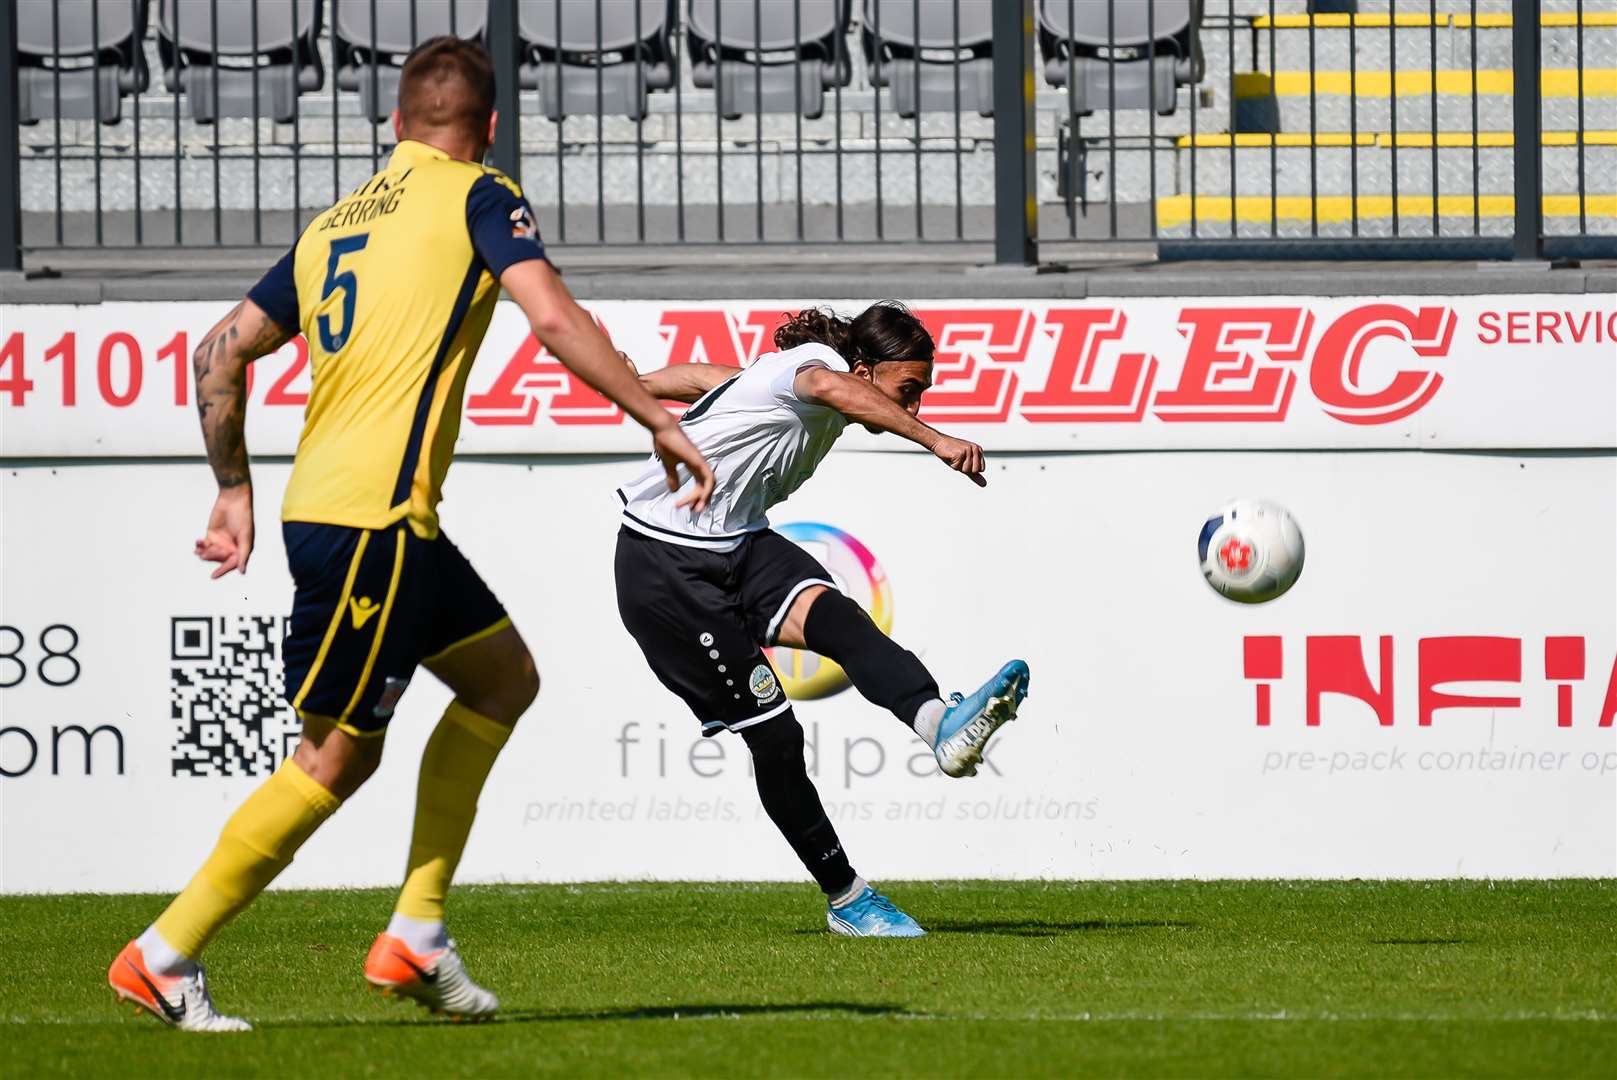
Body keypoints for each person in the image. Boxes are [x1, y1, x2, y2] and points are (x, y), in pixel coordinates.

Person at [107, 37, 713, 1032]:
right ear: (489, 128)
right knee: (335, 759)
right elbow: (553, 320)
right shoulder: (482, 194)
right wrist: (657, 420)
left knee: (502, 678)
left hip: (365, 519)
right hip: (370, 525)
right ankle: (165, 954)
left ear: (394, 125)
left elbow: (218, 354)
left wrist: (232, 490)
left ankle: (417, 934)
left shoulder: (334, 223)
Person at [614, 303, 1031, 938]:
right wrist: (938, 441)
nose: (913, 406)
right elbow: (828, 386)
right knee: (776, 740)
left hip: (740, 546)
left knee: (843, 624)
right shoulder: (822, 375)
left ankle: (938, 725)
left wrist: (639, 383)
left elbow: (710, 379)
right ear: (863, 369)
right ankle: (848, 899)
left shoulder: (789, 374)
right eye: (907, 390)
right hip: (666, 570)